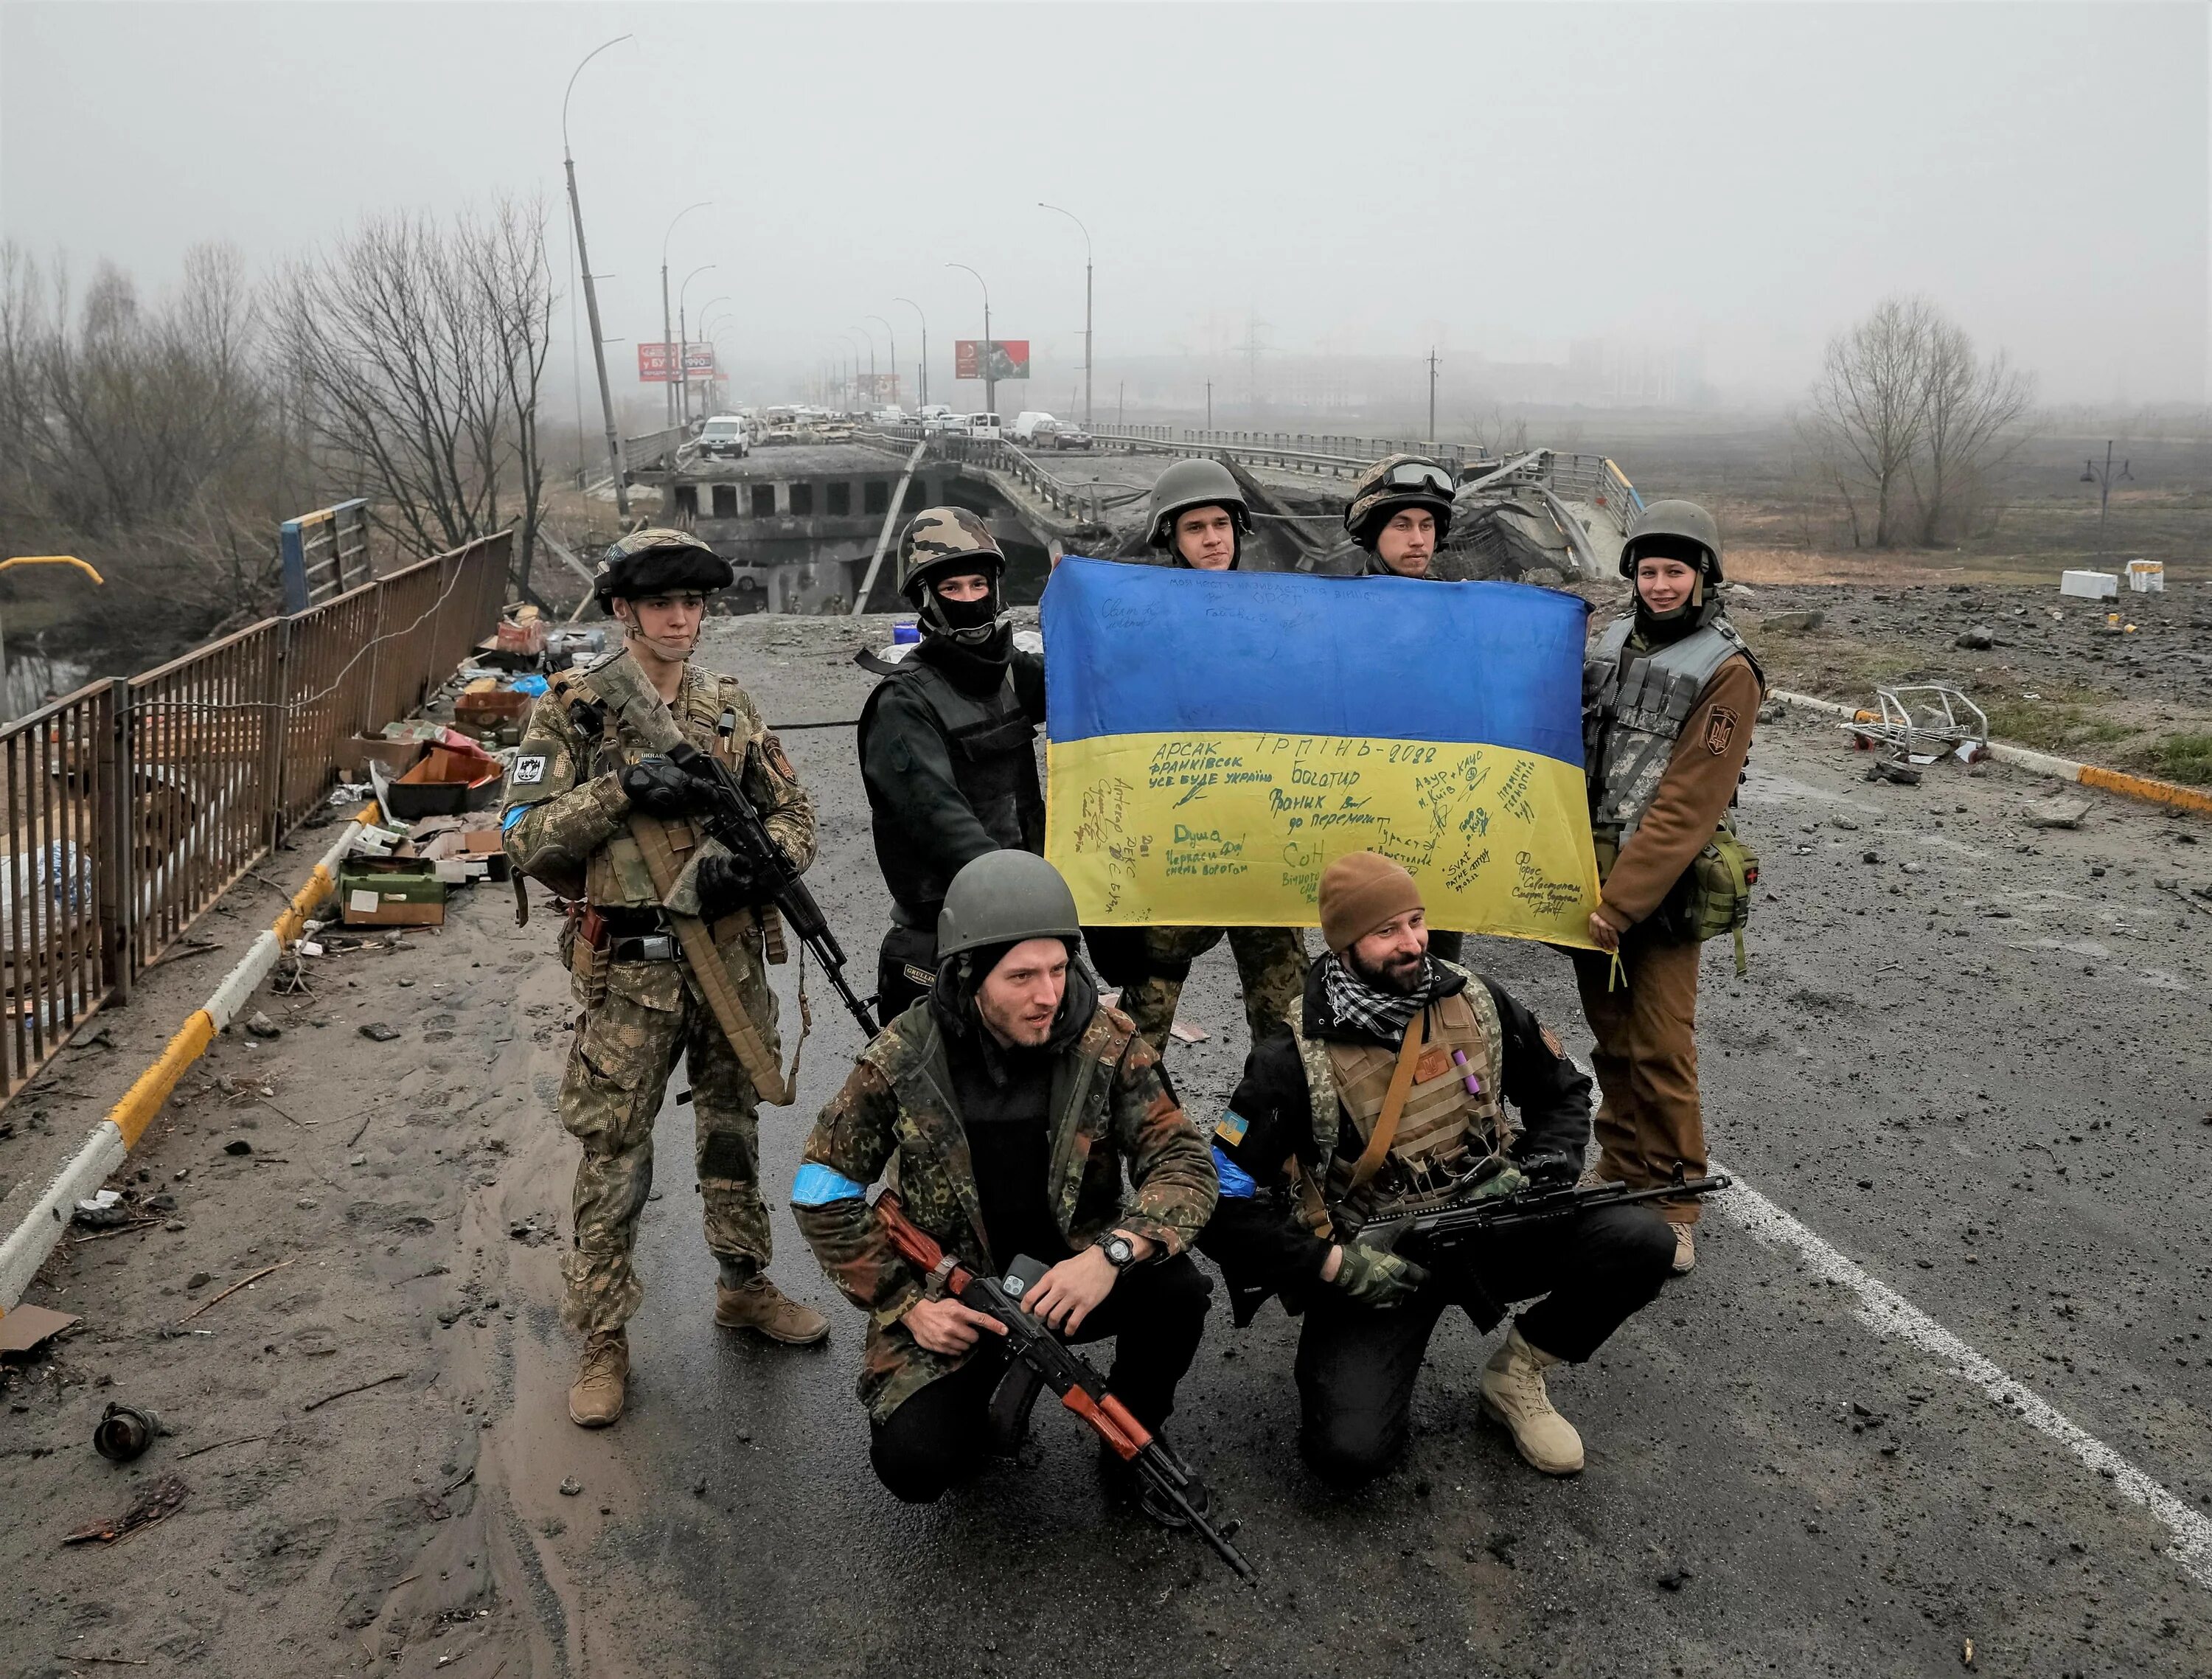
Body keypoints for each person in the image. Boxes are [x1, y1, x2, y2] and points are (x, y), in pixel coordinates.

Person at [1199, 851, 1674, 1487]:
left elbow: (1562, 1092)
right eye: (1387, 930)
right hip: (1387, 1262)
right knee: (1348, 1454)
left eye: (1417, 920)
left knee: (1643, 1240)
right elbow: (1220, 1198)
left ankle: (1518, 1372)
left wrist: (1546, 1167)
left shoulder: (1474, 1000)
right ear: (1343, 944)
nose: (1413, 942)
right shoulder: (1292, 1058)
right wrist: (1333, 1265)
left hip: (1494, 1226)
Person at [502, 528, 830, 1430]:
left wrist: (758, 869)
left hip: (725, 956)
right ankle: (602, 1336)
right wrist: (620, 794)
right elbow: (521, 836)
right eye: (661, 605)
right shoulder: (574, 710)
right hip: (632, 973)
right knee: (616, 1156)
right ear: (624, 611)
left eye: (693, 604)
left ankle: (743, 1282)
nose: (681, 619)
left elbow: (795, 813)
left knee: (733, 1131)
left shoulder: (729, 706)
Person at [790, 851, 1219, 1515]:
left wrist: (1111, 1255)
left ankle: (1134, 1431)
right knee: (916, 1463)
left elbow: (1184, 1164)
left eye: (1057, 968)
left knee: (1178, 1291)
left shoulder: (1107, 1044)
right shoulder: (903, 1057)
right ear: (969, 974)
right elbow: (822, 1187)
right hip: (954, 1293)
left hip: (1072, 1278)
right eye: (1021, 976)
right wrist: (908, 1304)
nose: (1048, 994)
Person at [1573, 498, 1764, 1278]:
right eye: (1648, 570)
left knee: (1661, 1049)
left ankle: (1677, 1201)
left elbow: (1689, 803)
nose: (1658, 584)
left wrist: (1621, 904)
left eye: (1674, 571)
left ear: (1703, 577)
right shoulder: (1607, 641)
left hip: (1660, 887)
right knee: (1611, 1039)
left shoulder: (1727, 670)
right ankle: (1620, 1163)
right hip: (1586, 872)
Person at [1087, 459, 1310, 1054]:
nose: (1212, 538)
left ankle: (1284, 1142)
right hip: (1182, 845)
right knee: (1144, 1018)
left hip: (1263, 841)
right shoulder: (1143, 623)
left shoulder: (1276, 614)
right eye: (1195, 528)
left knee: (1289, 1021)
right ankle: (1116, 1137)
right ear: (1171, 540)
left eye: (1221, 524)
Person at [856, 507, 1046, 1021]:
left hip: (1028, 919)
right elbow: (939, 817)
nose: (968, 599)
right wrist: (1021, 895)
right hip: (948, 935)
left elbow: (1094, 700)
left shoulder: (1009, 672)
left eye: (978, 584)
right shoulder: (902, 703)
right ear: (926, 598)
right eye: (952, 589)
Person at [1339, 452, 1470, 967]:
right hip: (1358, 816)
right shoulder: (1335, 614)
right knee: (1367, 965)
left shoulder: (1465, 615)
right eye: (1402, 524)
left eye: (1427, 525)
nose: (1418, 538)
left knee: (1438, 971)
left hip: (1443, 822)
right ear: (1373, 532)